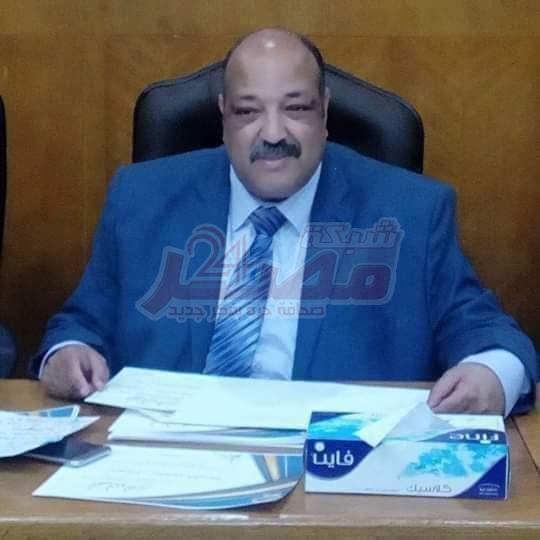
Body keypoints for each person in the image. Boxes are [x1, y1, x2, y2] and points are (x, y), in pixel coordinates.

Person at [32, 28, 536, 415]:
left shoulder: (411, 212)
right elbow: (80, 325)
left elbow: (489, 335)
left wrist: (490, 375)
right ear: (223, 115)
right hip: (161, 466)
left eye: (295, 109)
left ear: (324, 113)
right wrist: (67, 354)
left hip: (333, 471)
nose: (273, 134)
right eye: (248, 112)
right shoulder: (140, 198)